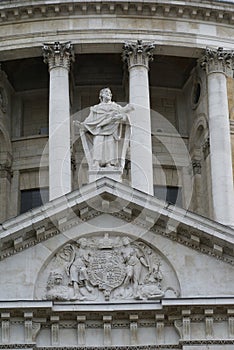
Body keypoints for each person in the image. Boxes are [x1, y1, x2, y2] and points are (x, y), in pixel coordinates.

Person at [78, 88, 133, 169]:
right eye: (106, 92)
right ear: (101, 95)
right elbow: (89, 120)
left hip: (112, 130)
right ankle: (96, 163)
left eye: (110, 93)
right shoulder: (96, 108)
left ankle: (109, 164)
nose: (109, 94)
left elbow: (125, 117)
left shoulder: (116, 107)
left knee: (110, 146)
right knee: (98, 144)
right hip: (99, 131)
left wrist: (121, 117)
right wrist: (82, 125)